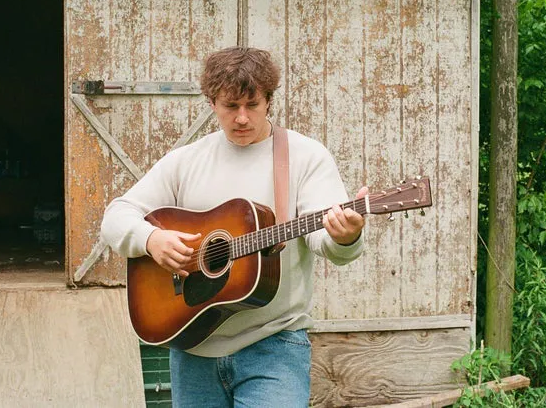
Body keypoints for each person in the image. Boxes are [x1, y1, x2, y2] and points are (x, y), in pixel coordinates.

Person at [101, 46, 367, 407]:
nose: (242, 118)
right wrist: (151, 239)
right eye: (230, 106)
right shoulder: (187, 161)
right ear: (212, 103)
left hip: (274, 344)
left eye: (252, 105)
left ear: (269, 101)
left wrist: (346, 237)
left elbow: (328, 242)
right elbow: (116, 216)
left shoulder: (305, 157)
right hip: (193, 347)